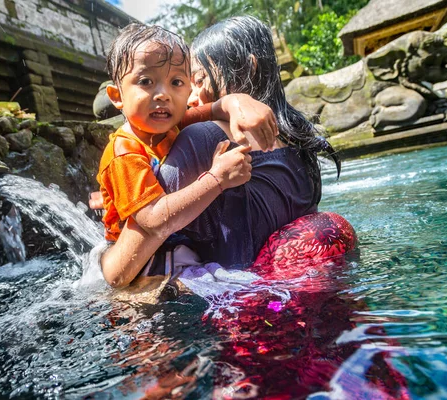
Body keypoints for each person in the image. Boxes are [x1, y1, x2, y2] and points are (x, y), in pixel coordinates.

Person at [99, 16, 341, 289]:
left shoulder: (201, 138)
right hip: (295, 290)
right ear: (116, 95)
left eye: (189, 82)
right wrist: (234, 102)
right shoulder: (301, 139)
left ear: (248, 68)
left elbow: (117, 273)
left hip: (232, 303)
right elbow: (152, 218)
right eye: (145, 81)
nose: (189, 97)